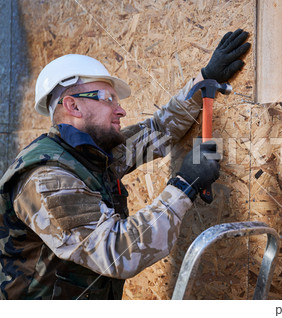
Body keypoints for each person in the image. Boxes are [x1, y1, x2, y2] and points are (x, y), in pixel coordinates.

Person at [0, 29, 250, 300]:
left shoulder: (90, 153)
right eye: (109, 99)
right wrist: (184, 186)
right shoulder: (47, 178)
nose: (121, 110)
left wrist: (204, 80)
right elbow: (115, 252)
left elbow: (157, 130)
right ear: (73, 106)